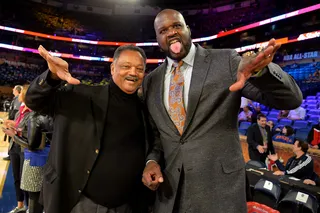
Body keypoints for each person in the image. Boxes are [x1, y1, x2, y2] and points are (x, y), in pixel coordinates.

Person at [141, 9, 302, 213]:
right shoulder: (151, 82)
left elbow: (291, 99)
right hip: (171, 195)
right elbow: (157, 136)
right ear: (157, 39)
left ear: (188, 30)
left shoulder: (226, 61)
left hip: (219, 193)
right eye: (163, 30)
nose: (171, 32)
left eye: (176, 26)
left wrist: (261, 72)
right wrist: (152, 160)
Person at [25, 45, 151, 213]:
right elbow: (34, 101)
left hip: (126, 205)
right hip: (80, 203)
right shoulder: (81, 96)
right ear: (113, 68)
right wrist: (52, 77)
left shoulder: (145, 109)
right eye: (126, 66)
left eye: (139, 69)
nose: (133, 72)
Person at [10, 111, 53, 213]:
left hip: (35, 161)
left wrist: (14, 136)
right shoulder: (55, 115)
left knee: (34, 197)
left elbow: (32, 145)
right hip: (51, 160)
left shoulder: (35, 116)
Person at [3, 85, 31, 213]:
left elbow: (26, 130)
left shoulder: (32, 112)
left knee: (25, 180)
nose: (18, 95)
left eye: (20, 94)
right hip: (15, 145)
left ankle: (29, 206)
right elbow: (19, 126)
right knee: (16, 178)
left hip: (24, 147)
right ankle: (20, 205)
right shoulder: (20, 109)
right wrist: (11, 125)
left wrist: (14, 129)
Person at [3, 85, 22, 161]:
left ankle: (11, 155)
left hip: (14, 123)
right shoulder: (15, 99)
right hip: (12, 121)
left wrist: (11, 122)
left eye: (14, 88)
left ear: (17, 90)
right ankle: (10, 154)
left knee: (12, 139)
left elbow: (16, 112)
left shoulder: (18, 99)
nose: (12, 89)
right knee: (10, 139)